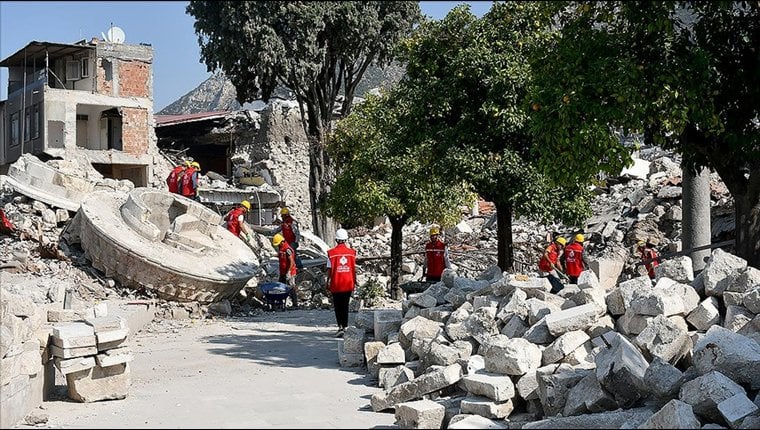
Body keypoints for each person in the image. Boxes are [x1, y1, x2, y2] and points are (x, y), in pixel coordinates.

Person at [326, 228, 357, 338]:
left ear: (336, 240)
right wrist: (355, 281)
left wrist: (327, 282)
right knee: (345, 305)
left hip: (336, 283)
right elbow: (353, 269)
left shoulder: (331, 253)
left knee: (338, 306)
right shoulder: (352, 253)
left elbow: (329, 269)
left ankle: (340, 327)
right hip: (348, 283)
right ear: (346, 240)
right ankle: (346, 326)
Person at [272, 233, 298, 308]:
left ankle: (295, 304)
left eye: (278, 243)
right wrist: (273, 255)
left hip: (289, 272)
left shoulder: (287, 249)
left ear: (282, 241)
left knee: (291, 287)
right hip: (283, 271)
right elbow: (281, 255)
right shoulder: (281, 248)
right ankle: (280, 303)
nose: (277, 245)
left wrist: (289, 272)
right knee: (280, 287)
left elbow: (291, 261)